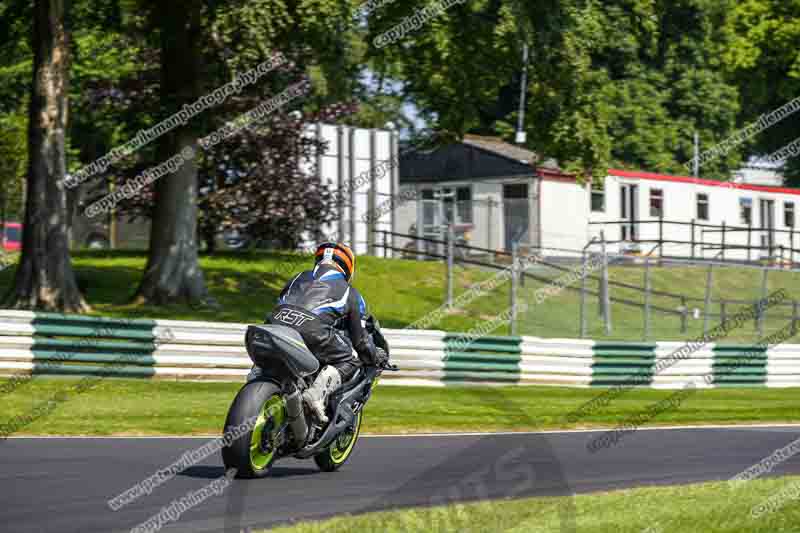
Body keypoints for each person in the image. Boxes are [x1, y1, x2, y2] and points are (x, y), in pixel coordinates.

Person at [251, 242, 386, 423]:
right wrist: (373, 357)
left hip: (274, 326)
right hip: (311, 331)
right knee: (352, 358)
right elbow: (360, 340)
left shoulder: (297, 277)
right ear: (348, 267)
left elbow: (281, 303)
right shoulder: (351, 294)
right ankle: (315, 395)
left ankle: (257, 373)